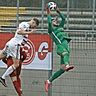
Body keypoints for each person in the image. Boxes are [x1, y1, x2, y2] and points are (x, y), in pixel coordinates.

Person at [0, 17, 39, 87]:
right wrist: (30, 32)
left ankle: (3, 77)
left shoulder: (26, 28)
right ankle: (2, 77)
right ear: (33, 22)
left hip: (10, 43)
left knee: (1, 57)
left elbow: (22, 38)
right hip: (15, 45)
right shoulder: (25, 24)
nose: (33, 28)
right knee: (16, 64)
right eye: (34, 26)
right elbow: (19, 32)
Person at [45, 5, 74, 92]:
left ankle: (48, 81)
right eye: (54, 20)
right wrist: (48, 13)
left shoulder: (60, 27)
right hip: (60, 46)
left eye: (56, 20)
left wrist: (58, 11)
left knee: (62, 69)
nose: (56, 21)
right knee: (65, 55)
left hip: (66, 46)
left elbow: (64, 19)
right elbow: (49, 22)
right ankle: (68, 65)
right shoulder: (51, 30)